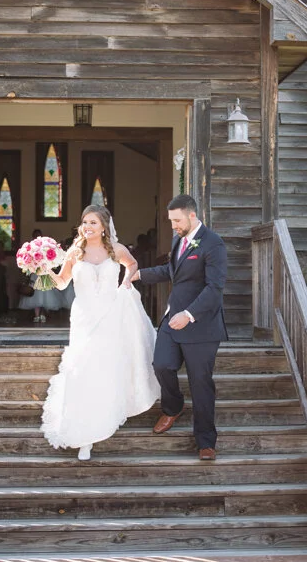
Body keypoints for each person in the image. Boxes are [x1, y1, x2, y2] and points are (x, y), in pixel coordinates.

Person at [39, 205, 159, 460]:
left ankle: (107, 414)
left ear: (104, 226)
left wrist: (127, 280)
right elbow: (61, 283)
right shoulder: (75, 251)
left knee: (104, 367)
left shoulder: (116, 249)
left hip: (110, 315)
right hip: (83, 318)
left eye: (93, 222)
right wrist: (45, 270)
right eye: (85, 222)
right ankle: (85, 435)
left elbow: (133, 263)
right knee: (83, 369)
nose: (87, 227)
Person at [131, 194, 228, 461]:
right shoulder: (178, 240)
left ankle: (206, 441)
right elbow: (171, 272)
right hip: (172, 320)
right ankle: (173, 407)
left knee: (201, 384)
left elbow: (215, 288)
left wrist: (189, 314)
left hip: (201, 326)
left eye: (176, 220)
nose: (173, 225)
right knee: (161, 364)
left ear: (192, 216)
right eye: (171, 220)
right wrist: (139, 275)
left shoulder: (213, 243)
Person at [18, 230, 62, 323]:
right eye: (35, 235)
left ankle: (42, 314)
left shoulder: (45, 247)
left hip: (44, 272)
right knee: (36, 295)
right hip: (35, 274)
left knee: (44, 295)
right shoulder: (31, 249)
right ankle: (37, 315)